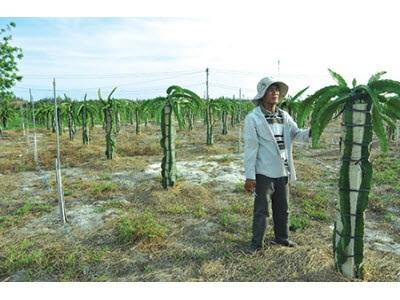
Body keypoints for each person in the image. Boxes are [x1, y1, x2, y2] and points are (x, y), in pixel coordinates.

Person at [243, 77, 310, 253]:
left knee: (283, 209)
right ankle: (256, 244)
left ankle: (282, 238)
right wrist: (249, 176)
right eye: (271, 90)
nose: (275, 92)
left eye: (277, 90)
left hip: (282, 171)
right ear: (262, 94)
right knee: (262, 211)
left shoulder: (284, 116)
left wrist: (314, 129)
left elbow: (298, 134)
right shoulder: (253, 118)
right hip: (264, 172)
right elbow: (251, 148)